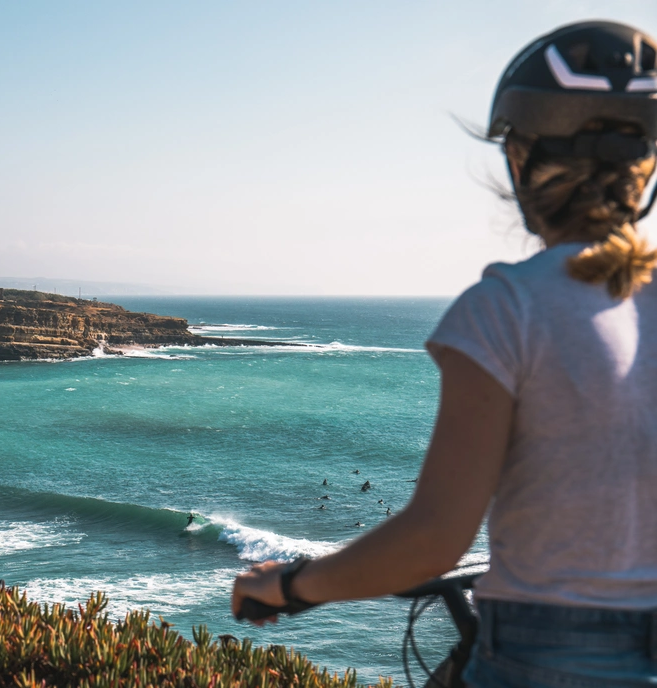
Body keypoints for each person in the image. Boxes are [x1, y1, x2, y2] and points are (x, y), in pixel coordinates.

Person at [232, 20, 657, 687]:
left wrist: (288, 585)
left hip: (543, 659)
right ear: (645, 166)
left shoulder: (508, 308)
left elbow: (434, 540)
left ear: (521, 162)